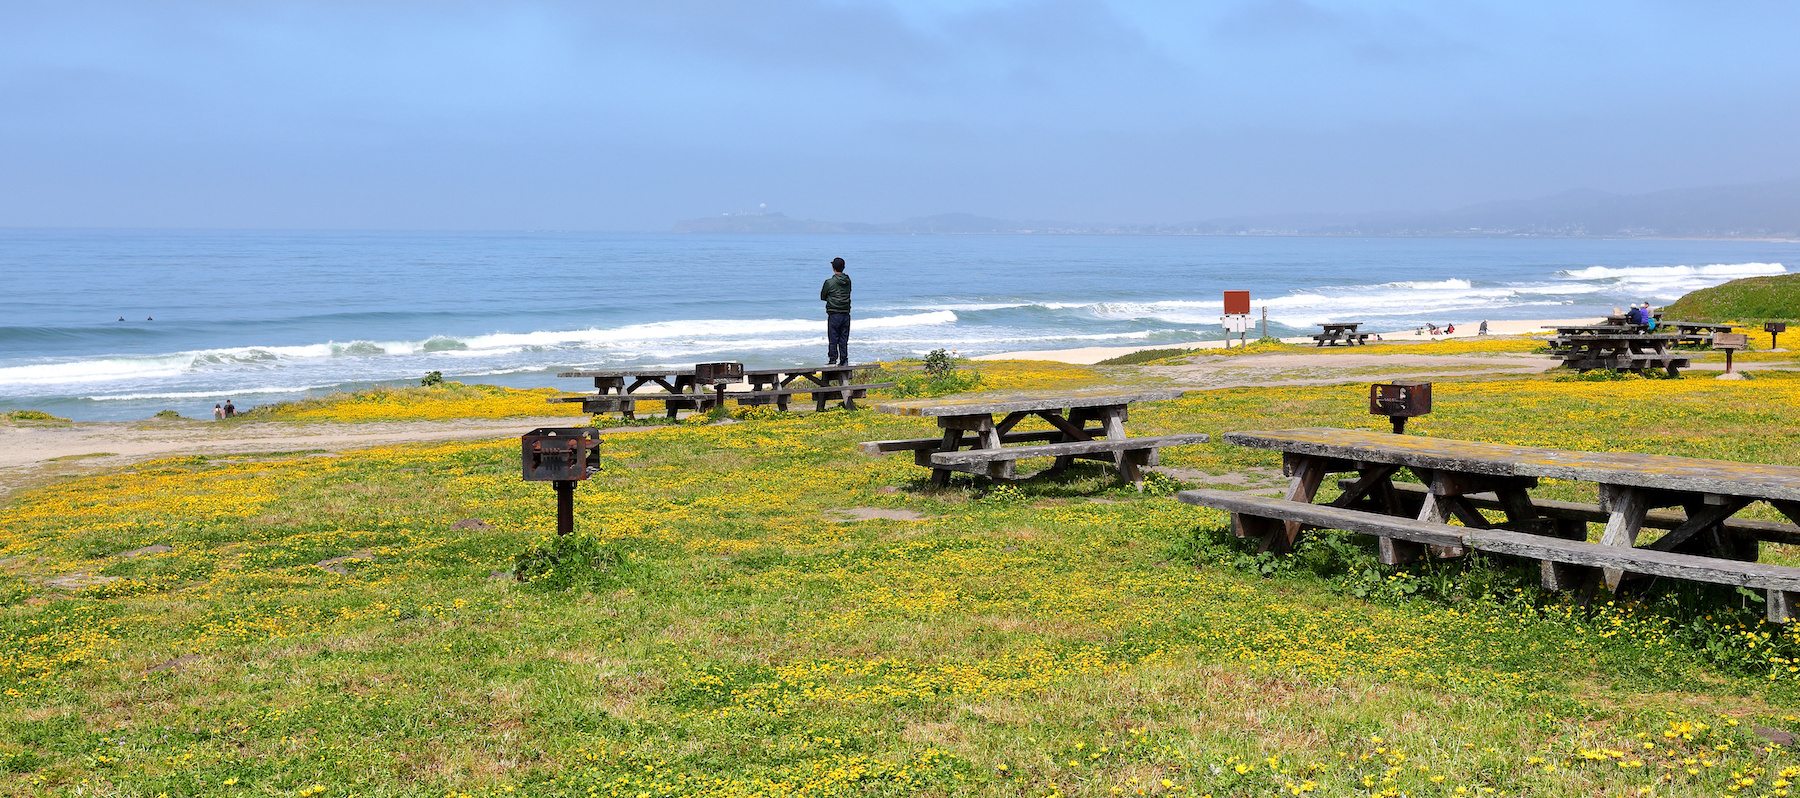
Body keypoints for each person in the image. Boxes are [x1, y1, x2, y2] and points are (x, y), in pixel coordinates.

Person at [820, 257, 851, 366]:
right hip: (845, 313)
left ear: (833, 268)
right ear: (844, 267)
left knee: (833, 337)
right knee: (843, 338)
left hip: (834, 313)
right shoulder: (848, 281)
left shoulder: (829, 282)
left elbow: (823, 296)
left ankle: (833, 359)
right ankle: (844, 360)